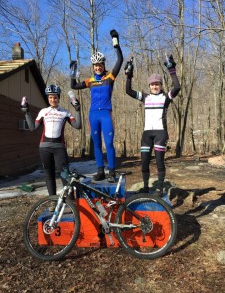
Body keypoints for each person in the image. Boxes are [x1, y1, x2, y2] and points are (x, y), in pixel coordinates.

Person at [70, 29, 123, 183]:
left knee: (109, 143)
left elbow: (120, 59)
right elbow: (73, 85)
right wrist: (73, 70)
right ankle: (100, 171)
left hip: (106, 114)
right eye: (95, 65)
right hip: (93, 115)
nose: (98, 67)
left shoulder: (110, 77)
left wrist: (115, 40)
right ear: (93, 67)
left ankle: (112, 172)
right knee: (97, 144)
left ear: (103, 65)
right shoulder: (90, 81)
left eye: (100, 65)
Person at [125, 55, 181, 196]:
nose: (155, 86)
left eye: (157, 84)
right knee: (144, 163)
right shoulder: (145, 97)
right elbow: (128, 91)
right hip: (146, 134)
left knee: (159, 161)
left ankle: (160, 188)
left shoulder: (166, 98)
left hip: (160, 133)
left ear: (161, 85)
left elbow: (177, 87)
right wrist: (129, 75)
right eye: (152, 84)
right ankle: (145, 187)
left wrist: (171, 69)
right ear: (149, 86)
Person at [21, 85, 81, 207]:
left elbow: (78, 126)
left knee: (65, 175)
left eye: (55, 97)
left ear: (58, 98)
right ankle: (53, 202)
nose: (53, 100)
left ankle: (70, 203)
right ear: (48, 99)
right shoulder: (43, 112)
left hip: (59, 148)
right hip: (44, 148)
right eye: (51, 97)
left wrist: (78, 110)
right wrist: (26, 112)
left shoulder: (65, 112)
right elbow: (33, 128)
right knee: (49, 176)